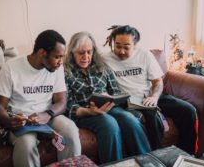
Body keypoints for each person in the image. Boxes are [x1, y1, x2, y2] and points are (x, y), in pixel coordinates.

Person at [103, 25, 198, 155]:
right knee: (151, 116)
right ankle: (156, 157)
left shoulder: (145, 55)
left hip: (149, 96)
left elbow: (158, 82)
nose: (121, 51)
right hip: (128, 102)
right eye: (117, 46)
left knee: (188, 110)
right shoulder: (104, 59)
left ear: (135, 45)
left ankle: (187, 155)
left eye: (126, 47)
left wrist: (154, 97)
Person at [0, 30, 81, 167]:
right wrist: (10, 121)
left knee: (70, 129)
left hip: (48, 116)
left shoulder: (57, 69)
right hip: (22, 121)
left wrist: (48, 114)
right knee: (26, 144)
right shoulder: (11, 67)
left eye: (62, 57)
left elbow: (61, 102)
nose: (60, 62)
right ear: (42, 53)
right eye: (57, 57)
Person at [64, 31, 150, 164]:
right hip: (84, 113)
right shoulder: (65, 72)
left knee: (129, 119)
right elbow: (66, 104)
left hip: (108, 107)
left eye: (89, 52)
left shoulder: (102, 66)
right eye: (81, 53)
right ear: (72, 53)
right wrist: (88, 111)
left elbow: (116, 91)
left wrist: (109, 97)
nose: (86, 57)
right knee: (109, 123)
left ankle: (146, 162)